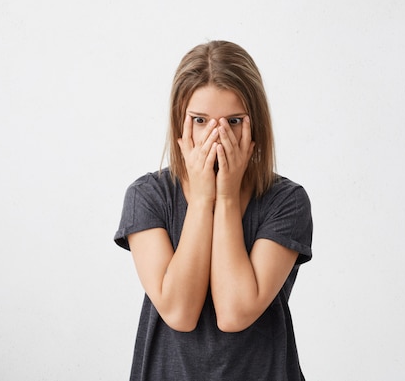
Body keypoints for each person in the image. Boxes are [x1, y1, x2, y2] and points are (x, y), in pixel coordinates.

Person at [114, 40, 313, 381]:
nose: (217, 138)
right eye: (201, 120)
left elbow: (235, 313)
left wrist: (228, 198)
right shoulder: (148, 196)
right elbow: (179, 311)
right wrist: (204, 198)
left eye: (234, 121)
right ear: (181, 123)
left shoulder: (286, 201)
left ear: (256, 127)